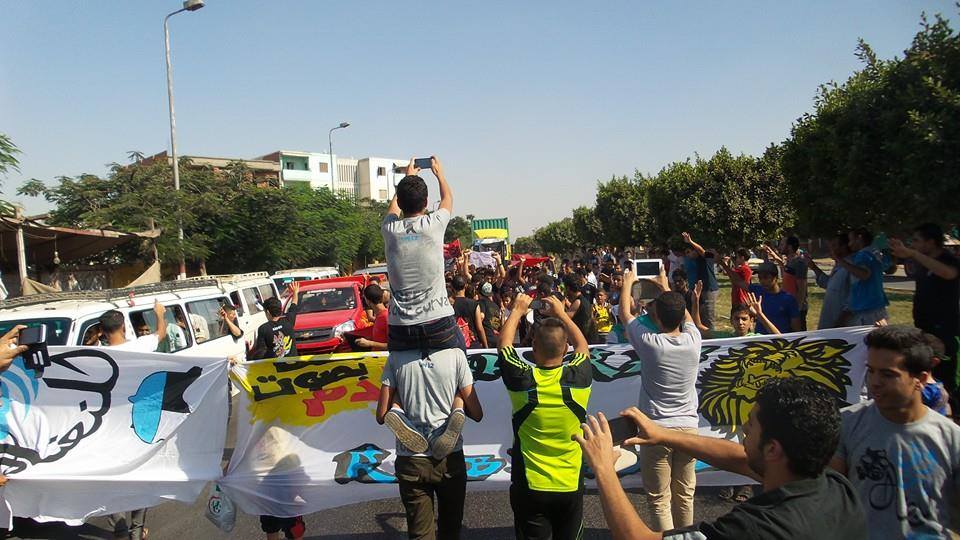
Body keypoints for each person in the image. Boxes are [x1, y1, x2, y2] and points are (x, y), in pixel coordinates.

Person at [574, 377, 868, 539]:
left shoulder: (755, 529)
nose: (744, 430)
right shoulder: (837, 488)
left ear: (772, 449)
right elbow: (741, 459)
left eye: (751, 424)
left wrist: (603, 468)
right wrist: (663, 435)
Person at [830, 325, 960, 539]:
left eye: (888, 374)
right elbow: (831, 500)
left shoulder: (951, 438)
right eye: (871, 371)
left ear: (920, 379)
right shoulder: (846, 424)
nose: (874, 382)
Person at [497, 292, 592, 539]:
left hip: (530, 485)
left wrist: (517, 310)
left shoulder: (523, 381)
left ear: (533, 348)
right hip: (570, 483)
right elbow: (583, 346)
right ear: (566, 349)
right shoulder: (579, 378)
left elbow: (504, 346)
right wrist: (562, 314)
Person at [619, 270, 701, 531]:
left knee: (659, 498)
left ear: (657, 316)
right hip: (688, 428)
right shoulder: (694, 339)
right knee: (685, 494)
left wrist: (627, 282)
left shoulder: (651, 343)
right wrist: (665, 286)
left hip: (655, 428)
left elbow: (625, 314)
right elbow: (686, 316)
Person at [100, 301, 167, 540]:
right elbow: (161, 334)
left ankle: (119, 528)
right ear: (124, 328)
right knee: (139, 476)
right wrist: (159, 313)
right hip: (136, 425)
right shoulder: (139, 346)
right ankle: (136, 530)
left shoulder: (96, 356)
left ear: (102, 332)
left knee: (111, 480)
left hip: (107, 429)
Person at [890, 222, 960, 396]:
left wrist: (913, 254)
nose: (913, 244)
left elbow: (948, 273)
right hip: (924, 327)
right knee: (928, 372)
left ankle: (952, 407)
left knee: (946, 376)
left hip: (944, 329)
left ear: (930, 242)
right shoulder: (923, 262)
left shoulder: (947, 259)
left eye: (916, 240)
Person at [730, 262, 800, 334]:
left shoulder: (788, 299)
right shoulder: (758, 290)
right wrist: (723, 264)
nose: (762, 281)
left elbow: (796, 329)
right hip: (760, 338)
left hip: (780, 339)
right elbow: (737, 281)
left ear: (776, 277)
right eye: (760, 278)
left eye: (766, 277)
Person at [837, 228, 888, 326]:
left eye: (851, 240)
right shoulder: (874, 253)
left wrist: (841, 261)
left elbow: (864, 274)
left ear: (859, 238)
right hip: (878, 304)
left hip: (867, 307)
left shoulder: (862, 255)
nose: (849, 244)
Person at [805, 233, 853, 329]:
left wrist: (841, 321)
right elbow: (828, 284)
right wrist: (814, 267)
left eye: (834, 245)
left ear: (843, 247)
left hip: (841, 325)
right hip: (830, 320)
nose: (830, 249)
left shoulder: (850, 267)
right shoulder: (839, 265)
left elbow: (853, 299)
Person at [250, 282, 300, 361]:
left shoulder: (263, 329)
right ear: (280, 309)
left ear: (268, 312)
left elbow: (260, 352)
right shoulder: (288, 320)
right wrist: (295, 292)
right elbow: (293, 306)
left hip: (275, 367)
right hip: (293, 364)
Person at [680, 232, 719, 330]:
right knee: (701, 314)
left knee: (708, 316)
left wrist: (690, 241)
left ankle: (711, 335)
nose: (689, 254)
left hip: (709, 289)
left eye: (691, 251)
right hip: (701, 289)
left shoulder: (708, 256)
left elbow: (701, 250)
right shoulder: (697, 260)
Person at [778, 237, 809, 329]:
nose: (779, 247)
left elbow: (802, 287)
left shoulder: (799, 263)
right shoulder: (790, 262)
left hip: (796, 309)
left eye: (782, 244)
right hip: (788, 307)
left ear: (790, 247)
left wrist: (797, 310)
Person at [451, 275, 487, 349]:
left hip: (456, 346)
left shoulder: (450, 305)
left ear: (452, 287)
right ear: (466, 286)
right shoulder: (474, 304)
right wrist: (486, 346)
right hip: (473, 345)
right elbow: (479, 328)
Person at [355, 284, 389, 351]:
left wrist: (369, 343)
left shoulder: (386, 316)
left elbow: (394, 345)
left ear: (367, 300)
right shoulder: (380, 315)